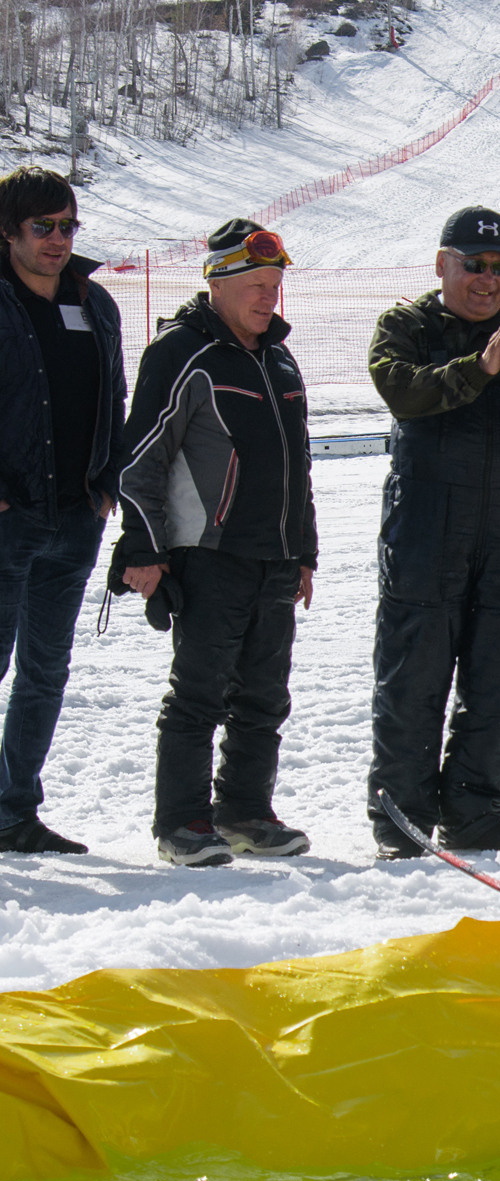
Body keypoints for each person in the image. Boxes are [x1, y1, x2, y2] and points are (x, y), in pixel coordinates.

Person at [365, 206, 500, 857]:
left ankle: (474, 812)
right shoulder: (406, 324)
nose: (487, 280)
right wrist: (479, 369)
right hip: (426, 525)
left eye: (498, 267)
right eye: (474, 265)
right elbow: (399, 389)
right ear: (442, 264)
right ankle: (399, 818)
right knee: (413, 681)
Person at [114, 219, 316, 865]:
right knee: (200, 691)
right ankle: (181, 823)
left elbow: (298, 465)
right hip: (209, 552)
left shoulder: (279, 357)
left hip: (274, 556)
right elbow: (138, 460)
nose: (268, 298)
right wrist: (142, 548)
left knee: (263, 695)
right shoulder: (184, 352)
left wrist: (303, 551)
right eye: (256, 285)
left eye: (275, 286)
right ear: (217, 283)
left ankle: (245, 810)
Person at [0, 166, 124, 855]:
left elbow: (115, 395)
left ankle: (14, 813)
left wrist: (108, 478)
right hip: (8, 516)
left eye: (67, 225)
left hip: (75, 516)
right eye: (41, 226)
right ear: (8, 231)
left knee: (45, 671)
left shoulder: (94, 302)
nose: (56, 239)